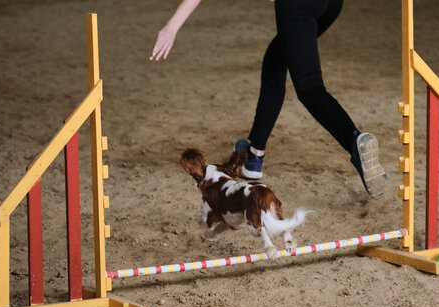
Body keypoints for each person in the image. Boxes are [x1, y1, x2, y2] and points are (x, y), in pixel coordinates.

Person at [151, 0, 387, 199]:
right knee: (275, 61)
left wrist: (171, 27)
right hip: (330, 4)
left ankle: (355, 143)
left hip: (297, 5)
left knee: (310, 87)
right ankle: (254, 154)